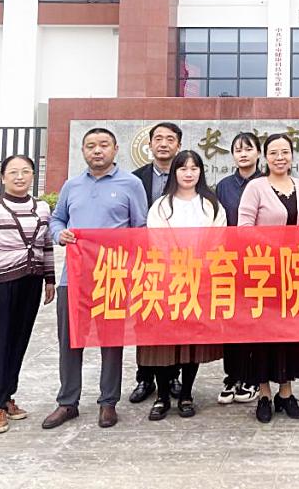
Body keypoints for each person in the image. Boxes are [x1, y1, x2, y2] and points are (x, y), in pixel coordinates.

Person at [43, 128, 148, 429]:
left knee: (111, 341)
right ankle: (67, 402)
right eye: (91, 146)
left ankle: (108, 402)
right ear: (83, 151)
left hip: (112, 277)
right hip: (74, 277)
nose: (97, 150)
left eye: (103, 145)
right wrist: (59, 234)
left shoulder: (131, 184)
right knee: (70, 340)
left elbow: (140, 229)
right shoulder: (72, 185)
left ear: (115, 149)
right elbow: (56, 219)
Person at [238, 133, 299, 423]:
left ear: (292, 155)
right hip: (263, 273)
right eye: (273, 152)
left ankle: (286, 393)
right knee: (264, 333)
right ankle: (264, 394)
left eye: (285, 152)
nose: (280, 157)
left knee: (291, 332)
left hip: (294, 272)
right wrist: (276, 246)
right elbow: (244, 227)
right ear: (265, 157)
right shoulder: (256, 187)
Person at [0, 154, 56, 434]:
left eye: (25, 171)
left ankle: (8, 396)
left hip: (30, 283)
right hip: (0, 285)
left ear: (33, 175)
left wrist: (49, 279)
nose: (20, 177)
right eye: (13, 172)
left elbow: (46, 246)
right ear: (3, 177)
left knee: (19, 341)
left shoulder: (41, 208)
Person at [141, 150, 225, 421]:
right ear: (174, 172)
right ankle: (163, 396)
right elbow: (157, 242)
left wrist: (199, 265)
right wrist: (177, 264)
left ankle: (187, 393)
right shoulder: (161, 205)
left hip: (200, 281)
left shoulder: (211, 205)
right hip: (167, 280)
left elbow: (217, 241)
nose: (189, 173)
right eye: (183, 168)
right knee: (163, 342)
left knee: (192, 341)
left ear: (201, 172)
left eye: (194, 168)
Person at [130, 121, 183, 404]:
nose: (164, 144)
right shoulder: (134, 179)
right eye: (158, 139)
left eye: (170, 139)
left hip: (179, 262)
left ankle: (173, 375)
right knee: (146, 318)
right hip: (145, 261)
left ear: (179, 145)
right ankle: (144, 377)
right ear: (149, 145)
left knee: (175, 318)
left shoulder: (187, 175)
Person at [214, 131, 263, 406]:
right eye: (238, 150)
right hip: (230, 263)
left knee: (256, 319)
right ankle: (232, 375)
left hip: (261, 262)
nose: (243, 154)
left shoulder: (267, 182)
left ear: (258, 153)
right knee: (231, 320)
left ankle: (253, 377)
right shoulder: (224, 186)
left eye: (248, 149)